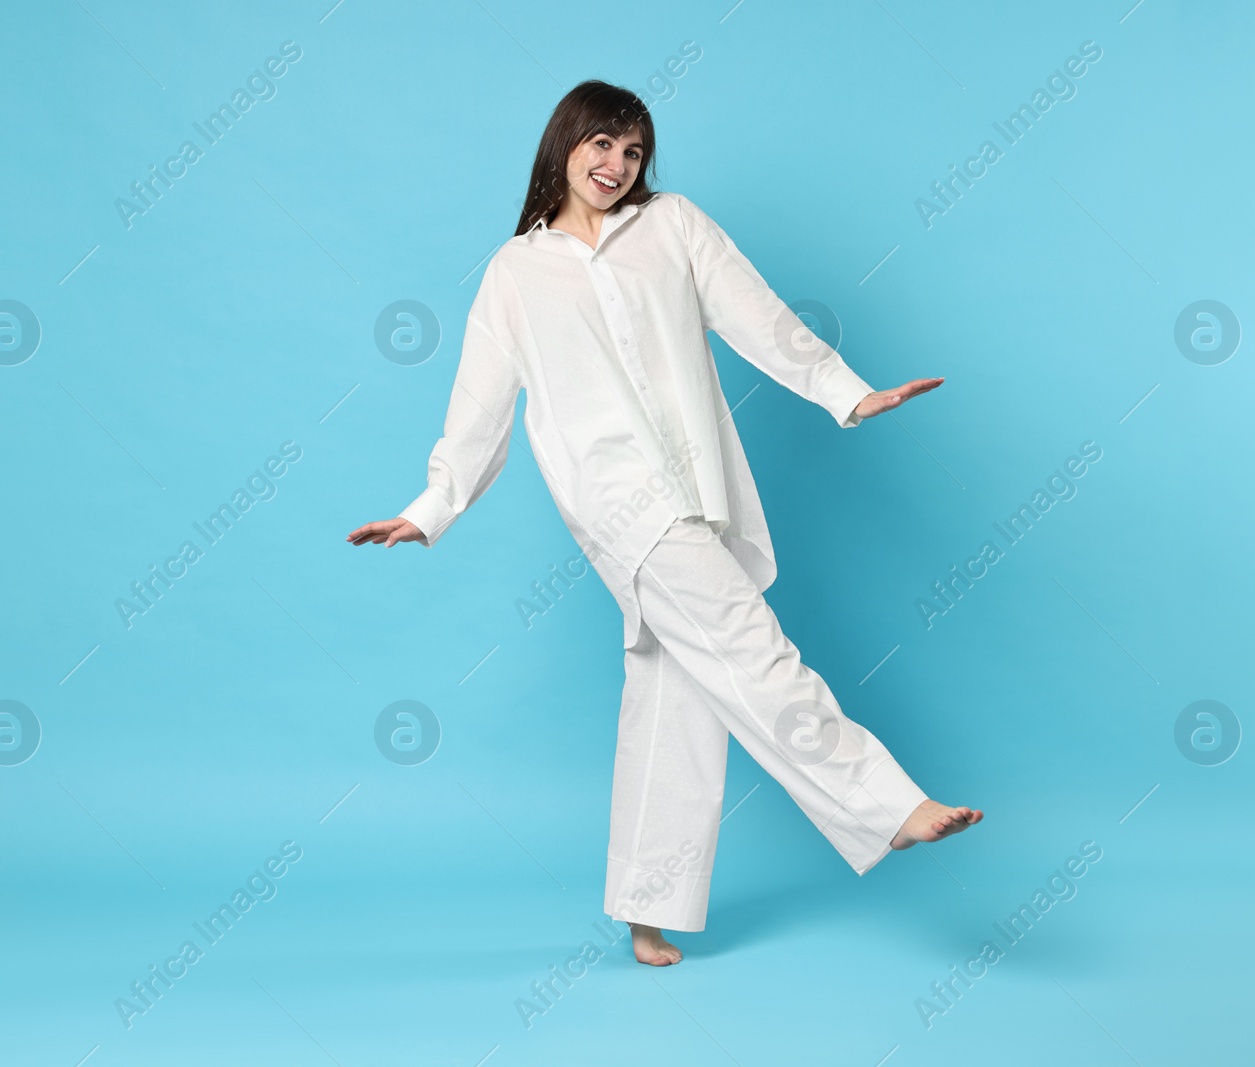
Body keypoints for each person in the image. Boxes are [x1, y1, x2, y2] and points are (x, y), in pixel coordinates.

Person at [349, 80, 981, 966]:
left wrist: (845, 391)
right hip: (616, 503)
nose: (616, 165)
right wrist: (431, 507)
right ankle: (887, 804)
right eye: (601, 144)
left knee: (676, 693)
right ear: (564, 145)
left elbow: (755, 313)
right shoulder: (513, 273)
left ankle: (647, 908)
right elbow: (480, 408)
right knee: (752, 647)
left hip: (700, 488)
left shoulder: (675, 226)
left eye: (634, 150)